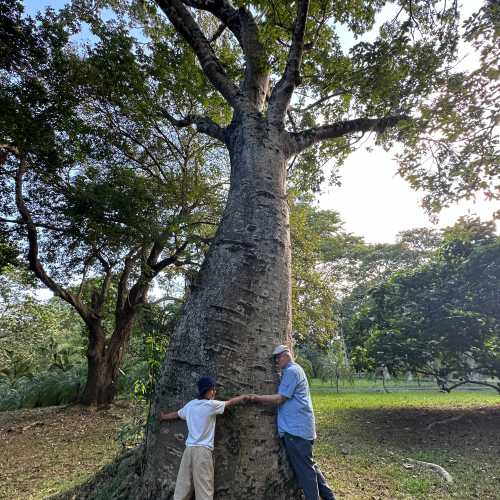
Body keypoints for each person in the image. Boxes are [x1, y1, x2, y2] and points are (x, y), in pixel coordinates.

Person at [249, 345, 336, 500]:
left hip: (296, 431)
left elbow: (279, 398)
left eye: (278, 358)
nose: (276, 362)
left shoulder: (291, 371)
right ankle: (329, 497)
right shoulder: (294, 370)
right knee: (310, 466)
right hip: (300, 428)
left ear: (286, 356)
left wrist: (256, 398)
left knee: (305, 472)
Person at [159, 376, 248, 500]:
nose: (214, 392)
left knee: (182, 487)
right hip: (203, 452)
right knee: (204, 489)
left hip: (188, 451)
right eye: (213, 389)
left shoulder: (190, 405)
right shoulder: (211, 405)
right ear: (207, 391)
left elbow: (177, 414)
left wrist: (163, 417)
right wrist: (245, 397)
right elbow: (230, 402)